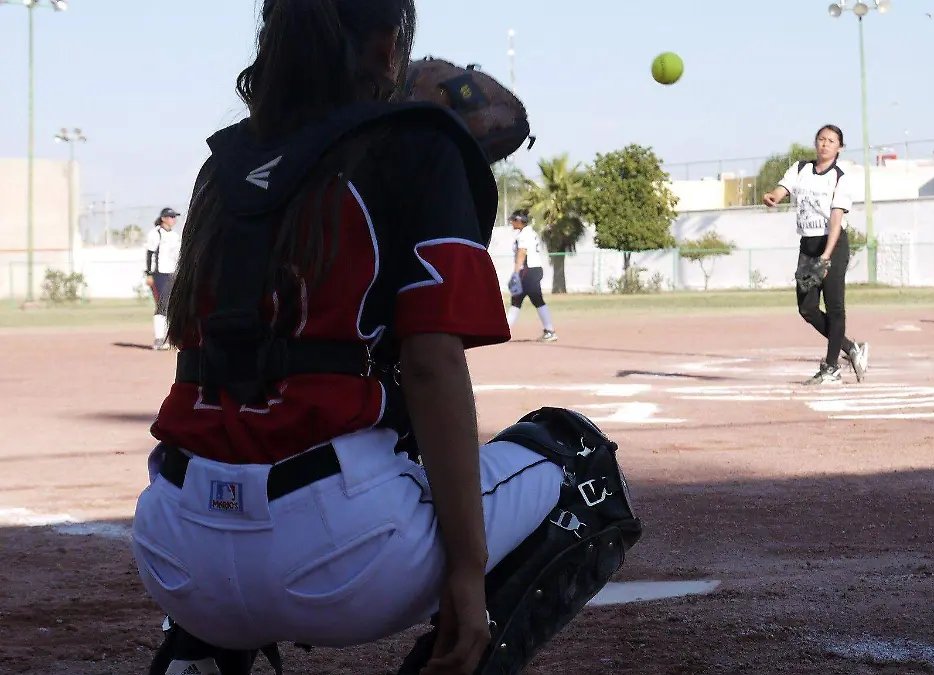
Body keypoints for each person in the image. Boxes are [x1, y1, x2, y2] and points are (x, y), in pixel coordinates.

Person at [129, 3, 641, 675]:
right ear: (387, 43)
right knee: (579, 460)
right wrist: (466, 568)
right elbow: (431, 365)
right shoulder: (412, 144)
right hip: (335, 556)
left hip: (175, 552)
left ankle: (194, 654)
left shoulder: (220, 167)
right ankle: (461, 651)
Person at [762, 124, 869, 386]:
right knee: (807, 308)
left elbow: (836, 219)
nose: (824, 144)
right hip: (808, 245)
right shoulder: (800, 169)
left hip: (832, 244)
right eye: (821, 139)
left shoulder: (840, 177)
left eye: (831, 141)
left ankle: (831, 367)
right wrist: (773, 197)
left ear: (839, 148)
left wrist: (827, 256)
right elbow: (782, 189)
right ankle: (851, 348)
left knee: (835, 308)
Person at [505, 208, 557, 342]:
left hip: (528, 270)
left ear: (520, 221)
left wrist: (516, 272)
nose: (512, 222)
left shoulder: (524, 235)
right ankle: (549, 330)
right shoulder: (529, 232)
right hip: (533, 270)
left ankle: (505, 331)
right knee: (528, 299)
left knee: (518, 300)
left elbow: (522, 252)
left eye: (514, 220)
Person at [144, 207, 182, 350]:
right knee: (162, 305)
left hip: (172, 273)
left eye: (174, 217)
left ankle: (171, 338)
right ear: (163, 219)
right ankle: (159, 339)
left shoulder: (174, 236)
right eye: (171, 217)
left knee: (173, 305)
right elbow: (149, 254)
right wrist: (149, 273)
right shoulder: (155, 234)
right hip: (159, 274)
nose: (173, 219)